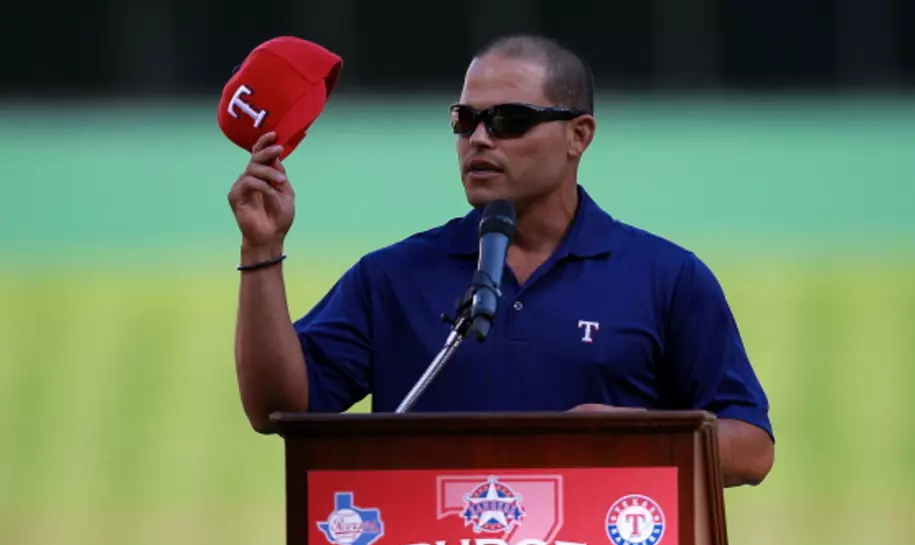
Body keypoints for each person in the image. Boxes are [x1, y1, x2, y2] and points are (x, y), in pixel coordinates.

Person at [228, 33, 775, 487]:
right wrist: (261, 248)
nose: (480, 140)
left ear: (577, 135)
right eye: (465, 121)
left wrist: (642, 441)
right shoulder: (391, 276)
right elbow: (278, 408)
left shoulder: (667, 276)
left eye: (509, 120)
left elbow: (750, 449)